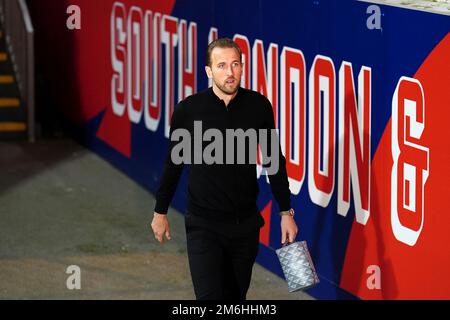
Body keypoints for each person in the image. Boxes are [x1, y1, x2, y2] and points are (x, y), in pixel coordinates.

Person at [151, 38, 298, 300]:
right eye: (221, 66)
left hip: (245, 227)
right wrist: (160, 211)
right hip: (203, 226)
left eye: (235, 64)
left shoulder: (258, 106)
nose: (230, 73)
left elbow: (274, 161)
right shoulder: (189, 110)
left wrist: (285, 211)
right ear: (208, 71)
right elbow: (174, 163)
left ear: (242, 67)